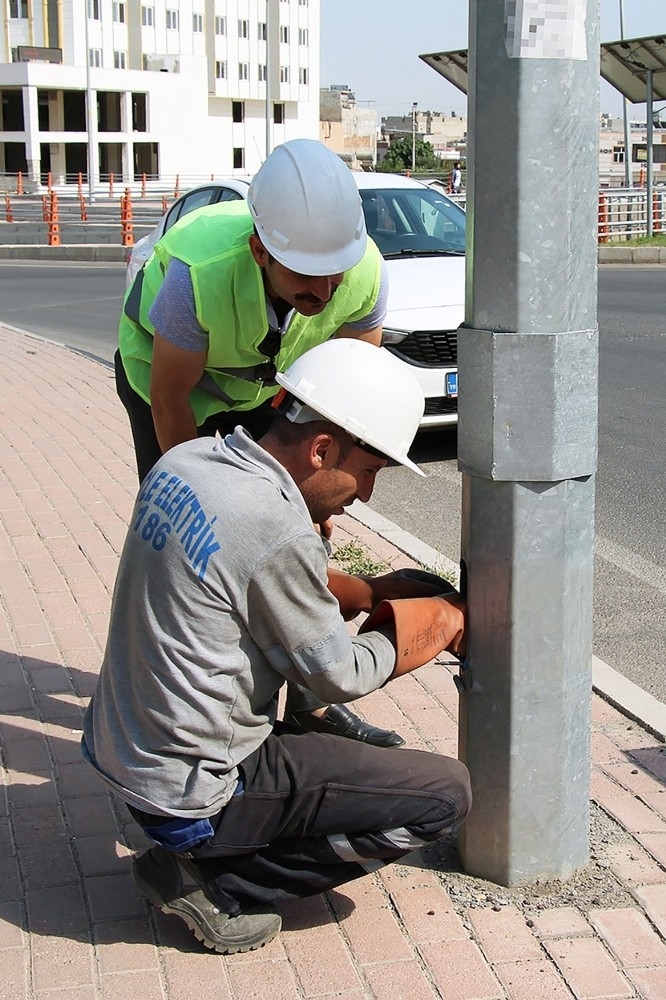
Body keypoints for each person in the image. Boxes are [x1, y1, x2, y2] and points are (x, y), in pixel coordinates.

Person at [82, 339, 471, 956]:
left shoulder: (190, 462)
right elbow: (337, 674)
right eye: (370, 471)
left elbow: (255, 578)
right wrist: (434, 623)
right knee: (444, 795)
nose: (366, 494)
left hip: (127, 754)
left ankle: (210, 849)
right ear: (322, 449)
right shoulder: (274, 525)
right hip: (194, 795)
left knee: (329, 744)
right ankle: (219, 883)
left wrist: (365, 587)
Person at [115, 137, 401, 748]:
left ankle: (310, 703)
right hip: (171, 390)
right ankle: (182, 702)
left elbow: (344, 409)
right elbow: (171, 402)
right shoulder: (198, 274)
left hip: (260, 389)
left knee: (303, 530)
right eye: (305, 274)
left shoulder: (365, 275)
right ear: (259, 252)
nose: (325, 289)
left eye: (335, 271)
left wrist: (315, 504)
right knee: (196, 533)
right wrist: (213, 503)